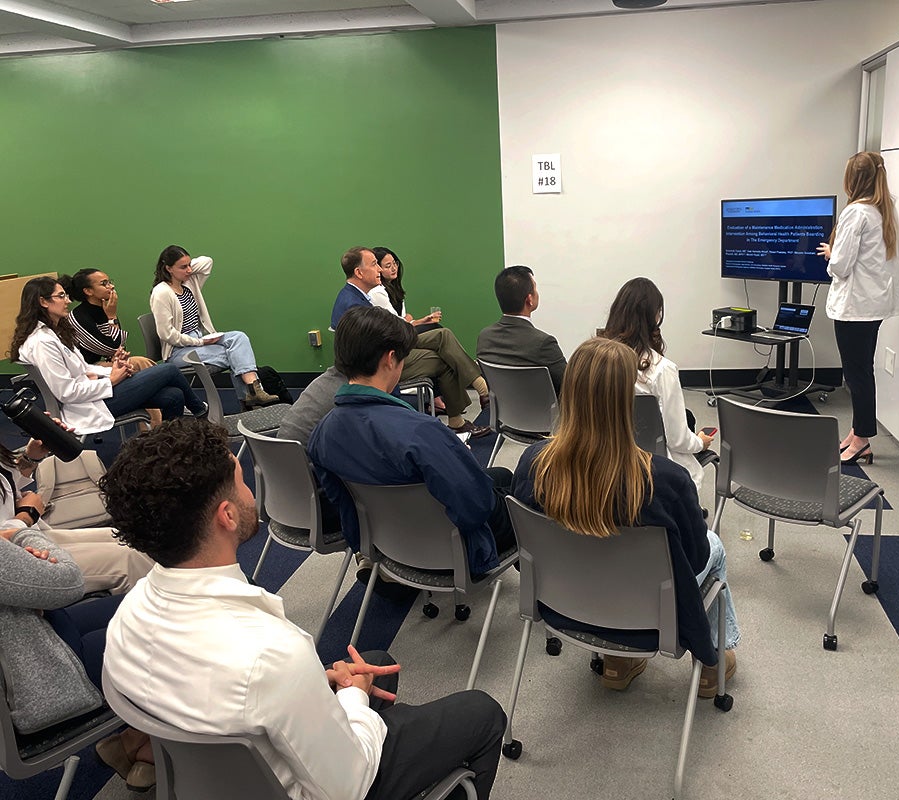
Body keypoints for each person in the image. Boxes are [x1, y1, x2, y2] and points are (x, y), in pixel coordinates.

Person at [100, 419, 506, 800]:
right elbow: (348, 785)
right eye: (242, 484)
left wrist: (320, 685)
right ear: (225, 516)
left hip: (223, 775)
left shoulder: (126, 618)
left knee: (375, 661)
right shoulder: (271, 654)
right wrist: (353, 699)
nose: (250, 495)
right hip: (316, 786)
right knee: (482, 712)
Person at [510, 337, 740, 694]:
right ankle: (711, 666)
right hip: (648, 615)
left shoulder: (531, 463)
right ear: (626, 401)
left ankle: (618, 663)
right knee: (714, 545)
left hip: (565, 601)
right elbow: (694, 559)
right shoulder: (664, 481)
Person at [309, 306, 516, 577]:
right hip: (454, 550)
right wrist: (457, 457)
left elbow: (347, 511)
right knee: (520, 493)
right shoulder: (422, 432)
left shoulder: (323, 432)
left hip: (392, 544)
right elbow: (476, 507)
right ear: (390, 359)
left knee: (499, 475)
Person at [0, 505, 154, 790]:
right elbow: (69, 582)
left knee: (155, 603)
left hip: (35, 637)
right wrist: (20, 537)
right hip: (46, 679)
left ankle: (137, 739)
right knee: (184, 616)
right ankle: (147, 746)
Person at [11, 276, 208, 436]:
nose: (68, 301)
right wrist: (111, 380)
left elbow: (84, 367)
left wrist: (115, 370)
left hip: (96, 392)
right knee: (169, 370)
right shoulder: (42, 342)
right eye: (61, 296)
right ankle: (203, 417)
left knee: (174, 396)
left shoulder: (55, 333)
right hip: (87, 405)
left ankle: (167, 452)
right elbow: (66, 392)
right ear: (43, 302)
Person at [330, 247, 489, 438]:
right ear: (359, 272)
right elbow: (388, 338)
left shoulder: (353, 297)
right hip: (382, 366)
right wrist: (407, 325)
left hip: (385, 356)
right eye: (375, 265)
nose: (380, 270)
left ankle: (465, 410)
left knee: (442, 336)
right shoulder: (356, 304)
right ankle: (467, 407)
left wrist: (407, 325)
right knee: (444, 357)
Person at [818, 151, 899, 465]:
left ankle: (863, 440)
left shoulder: (856, 212)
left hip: (855, 308)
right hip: (873, 305)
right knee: (862, 371)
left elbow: (841, 266)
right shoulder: (883, 209)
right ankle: (857, 433)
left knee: (857, 375)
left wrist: (831, 255)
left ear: (852, 180)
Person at [601, 277, 714, 492]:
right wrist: (699, 442)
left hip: (603, 460)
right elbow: (677, 439)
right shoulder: (662, 369)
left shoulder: (594, 359)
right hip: (651, 468)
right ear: (655, 316)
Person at [0, 437, 152, 595]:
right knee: (128, 560)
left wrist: (30, 458)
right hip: (11, 557)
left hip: (25, 534)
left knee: (122, 539)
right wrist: (26, 515)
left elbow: (7, 485)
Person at [149, 245, 279, 408]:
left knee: (239, 337)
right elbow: (166, 334)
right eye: (183, 267)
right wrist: (200, 343)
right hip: (178, 352)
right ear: (168, 268)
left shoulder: (189, 282)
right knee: (235, 356)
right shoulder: (161, 293)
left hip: (199, 340)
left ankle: (252, 392)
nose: (189, 270)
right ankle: (250, 397)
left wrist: (184, 269)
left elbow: (207, 262)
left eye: (190, 265)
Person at [65, 267, 163, 428]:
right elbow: (109, 346)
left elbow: (116, 346)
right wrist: (112, 317)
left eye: (110, 282)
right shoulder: (78, 317)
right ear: (88, 291)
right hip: (86, 370)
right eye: (104, 284)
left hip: (103, 363)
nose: (111, 287)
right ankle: (155, 424)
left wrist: (116, 355)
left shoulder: (103, 308)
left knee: (138, 364)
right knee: (140, 364)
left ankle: (153, 423)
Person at [476, 264, 567, 394]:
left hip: (501, 412)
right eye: (535, 289)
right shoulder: (543, 343)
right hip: (542, 413)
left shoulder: (485, 337)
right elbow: (569, 384)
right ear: (529, 299)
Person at [370, 246, 442, 333]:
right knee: (441, 332)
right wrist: (413, 320)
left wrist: (420, 321)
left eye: (394, 263)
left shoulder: (395, 289)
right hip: (394, 335)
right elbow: (396, 323)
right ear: (378, 269)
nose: (394, 268)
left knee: (435, 327)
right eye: (388, 266)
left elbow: (404, 320)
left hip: (403, 331)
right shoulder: (377, 291)